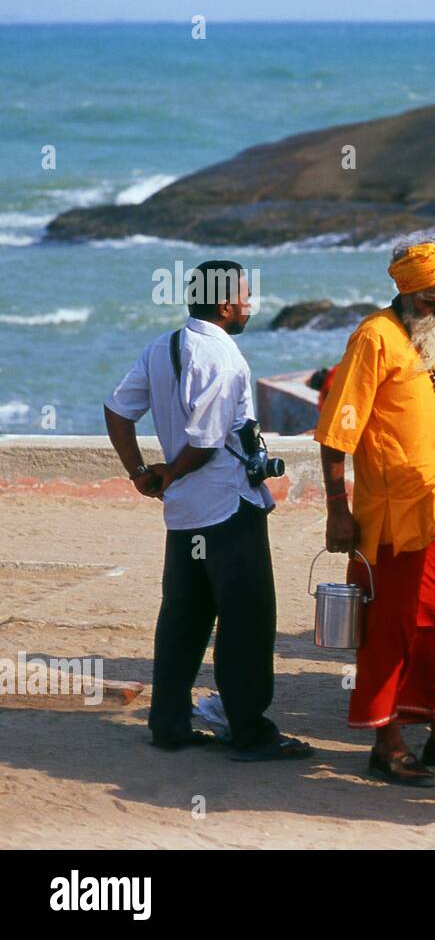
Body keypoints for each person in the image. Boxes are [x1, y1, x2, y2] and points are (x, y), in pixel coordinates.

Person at [103, 260, 312, 761]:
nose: (250, 305)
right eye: (245, 296)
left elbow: (116, 409)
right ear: (224, 305)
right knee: (247, 621)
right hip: (226, 507)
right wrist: (168, 473)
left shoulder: (162, 347)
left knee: (184, 617)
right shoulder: (223, 356)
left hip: (184, 515)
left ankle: (170, 724)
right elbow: (206, 441)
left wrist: (140, 474)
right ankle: (249, 733)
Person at [315, 236, 435, 787]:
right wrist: (336, 509)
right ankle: (386, 740)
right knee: (392, 628)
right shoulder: (375, 337)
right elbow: (335, 433)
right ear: (405, 293)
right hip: (391, 516)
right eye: (429, 300)